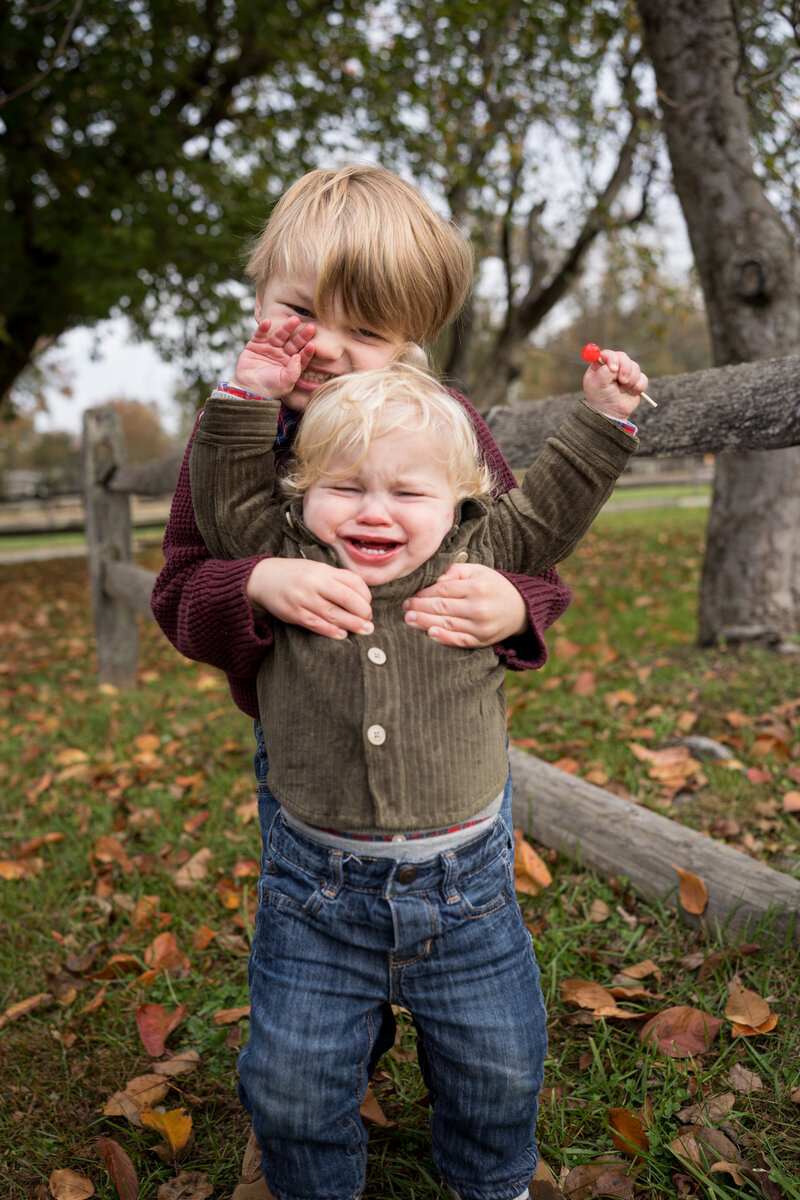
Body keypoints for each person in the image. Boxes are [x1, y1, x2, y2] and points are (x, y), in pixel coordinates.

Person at [187, 335, 646, 1200]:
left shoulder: (479, 557)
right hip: (313, 893)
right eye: (345, 487)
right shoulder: (287, 561)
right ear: (298, 492)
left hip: (466, 890)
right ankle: (310, 1183)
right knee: (292, 1079)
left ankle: (495, 1181)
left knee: (498, 1068)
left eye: (407, 491)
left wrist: (605, 417)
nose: (375, 511)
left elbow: (552, 509)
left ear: (462, 500)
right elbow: (221, 507)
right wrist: (246, 399)